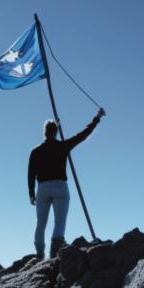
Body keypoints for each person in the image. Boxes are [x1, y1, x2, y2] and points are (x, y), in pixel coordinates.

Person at [28, 107, 105, 259]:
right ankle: (54, 252)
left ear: (44, 132)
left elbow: (31, 173)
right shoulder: (62, 146)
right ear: (56, 132)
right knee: (60, 221)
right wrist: (97, 117)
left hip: (42, 189)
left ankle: (39, 255)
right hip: (59, 187)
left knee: (40, 223)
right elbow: (83, 135)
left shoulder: (35, 151)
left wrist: (31, 193)